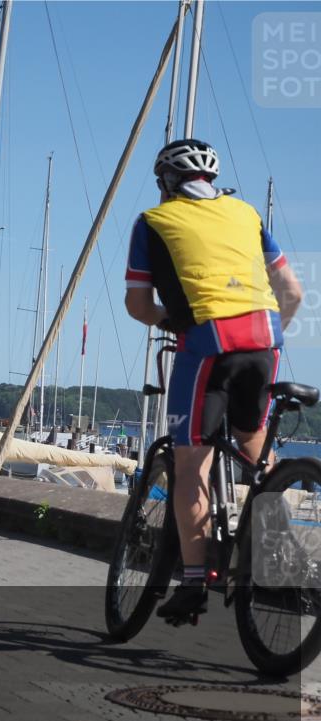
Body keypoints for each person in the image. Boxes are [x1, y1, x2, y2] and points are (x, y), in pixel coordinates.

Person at [124, 139, 303, 623]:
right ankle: (278, 535)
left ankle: (197, 581)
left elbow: (139, 306)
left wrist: (172, 320)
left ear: (166, 183)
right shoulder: (246, 213)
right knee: (251, 440)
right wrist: (263, 334)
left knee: (192, 465)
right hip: (266, 342)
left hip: (207, 347)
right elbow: (292, 291)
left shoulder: (153, 222)